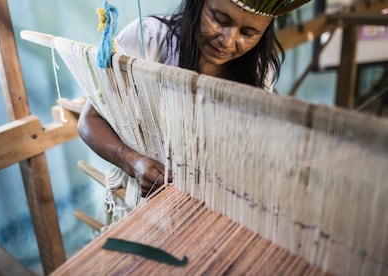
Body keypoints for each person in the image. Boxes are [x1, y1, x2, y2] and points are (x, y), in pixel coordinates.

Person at [78, 0, 310, 201]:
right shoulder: (149, 38)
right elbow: (90, 120)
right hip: (150, 203)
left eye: (248, 33)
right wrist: (133, 162)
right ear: (198, 4)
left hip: (218, 200)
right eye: (220, 19)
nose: (228, 41)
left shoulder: (259, 69)